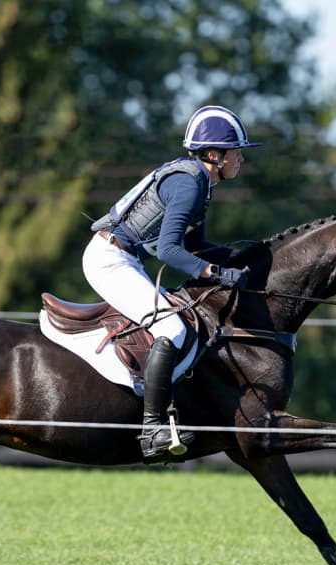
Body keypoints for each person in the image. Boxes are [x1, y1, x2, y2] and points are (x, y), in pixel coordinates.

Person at [83, 105, 260, 460]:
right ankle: (152, 430)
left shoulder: (200, 182)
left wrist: (243, 259)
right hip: (109, 259)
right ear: (214, 154)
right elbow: (168, 250)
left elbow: (195, 246)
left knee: (178, 323)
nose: (240, 158)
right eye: (236, 151)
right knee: (172, 328)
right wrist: (215, 273)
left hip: (125, 259)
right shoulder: (188, 183)